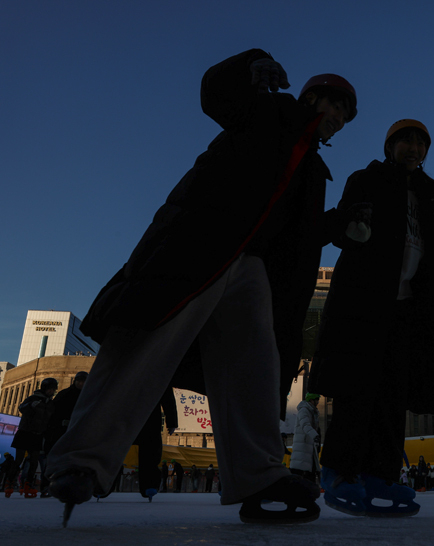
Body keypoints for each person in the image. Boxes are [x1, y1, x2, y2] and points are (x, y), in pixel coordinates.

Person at [45, 48, 359, 527]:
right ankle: (80, 461)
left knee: (254, 367)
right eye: (335, 105)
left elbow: (299, 237)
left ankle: (257, 475)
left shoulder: (313, 169)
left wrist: (340, 224)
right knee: (145, 342)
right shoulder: (266, 111)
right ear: (311, 97)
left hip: (250, 267)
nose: (338, 118)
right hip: (200, 243)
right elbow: (217, 95)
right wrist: (249, 65)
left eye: (345, 116)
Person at [309, 119, 434, 517]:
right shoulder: (367, 179)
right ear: (390, 146)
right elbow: (343, 219)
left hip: (406, 310)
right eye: (406, 141)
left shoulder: (431, 198)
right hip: (363, 303)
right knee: (356, 388)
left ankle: (380, 473)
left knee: (393, 395)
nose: (414, 149)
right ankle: (338, 471)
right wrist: (352, 230)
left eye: (421, 143)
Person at [6, 378, 58, 498]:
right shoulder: (34, 398)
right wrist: (29, 405)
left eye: (53, 389)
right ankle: (10, 482)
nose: (51, 391)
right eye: (49, 389)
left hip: (37, 434)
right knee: (19, 459)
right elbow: (21, 408)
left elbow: (51, 419)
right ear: (44, 388)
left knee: (34, 461)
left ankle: (28, 484)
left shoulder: (50, 403)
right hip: (25, 432)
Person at [290, 393, 321, 485]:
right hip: (303, 445)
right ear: (311, 400)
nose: (318, 402)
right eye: (316, 399)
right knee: (301, 472)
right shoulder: (304, 410)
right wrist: (315, 435)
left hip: (308, 446)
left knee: (308, 472)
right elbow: (305, 425)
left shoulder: (312, 411)